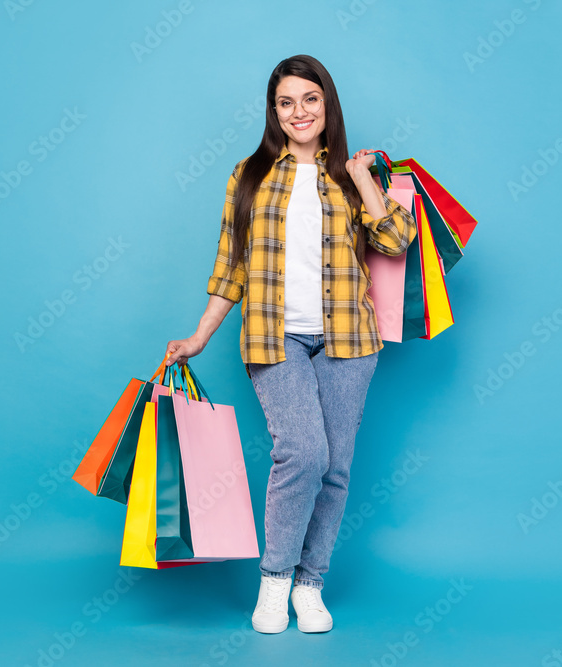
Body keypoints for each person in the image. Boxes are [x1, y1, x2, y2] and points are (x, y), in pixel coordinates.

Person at [165, 54, 416, 634]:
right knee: (303, 452)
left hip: (350, 338)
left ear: (327, 104)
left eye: (310, 99)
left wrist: (361, 181)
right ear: (273, 111)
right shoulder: (250, 175)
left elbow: (397, 241)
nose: (298, 111)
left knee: (336, 468)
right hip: (273, 337)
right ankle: (275, 580)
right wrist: (201, 335)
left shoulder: (354, 176)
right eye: (286, 102)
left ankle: (310, 585)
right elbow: (231, 266)